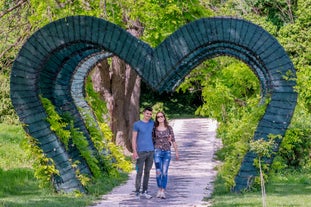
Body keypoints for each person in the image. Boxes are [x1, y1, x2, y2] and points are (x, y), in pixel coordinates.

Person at [152, 111, 179, 199]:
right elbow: (151, 140)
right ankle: (159, 189)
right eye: (158, 117)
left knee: (164, 172)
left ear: (164, 117)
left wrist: (176, 152)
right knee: (158, 172)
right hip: (157, 152)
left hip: (167, 152)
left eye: (161, 116)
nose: (160, 118)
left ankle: (163, 190)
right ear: (156, 119)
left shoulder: (169, 128)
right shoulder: (154, 129)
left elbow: (173, 140)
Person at [132, 106, 155, 199]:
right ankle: (137, 191)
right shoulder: (137, 124)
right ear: (143, 113)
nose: (148, 115)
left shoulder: (152, 123)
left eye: (150, 114)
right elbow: (133, 138)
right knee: (139, 172)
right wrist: (134, 151)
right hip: (140, 152)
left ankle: (144, 191)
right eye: (147, 113)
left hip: (151, 151)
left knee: (147, 172)